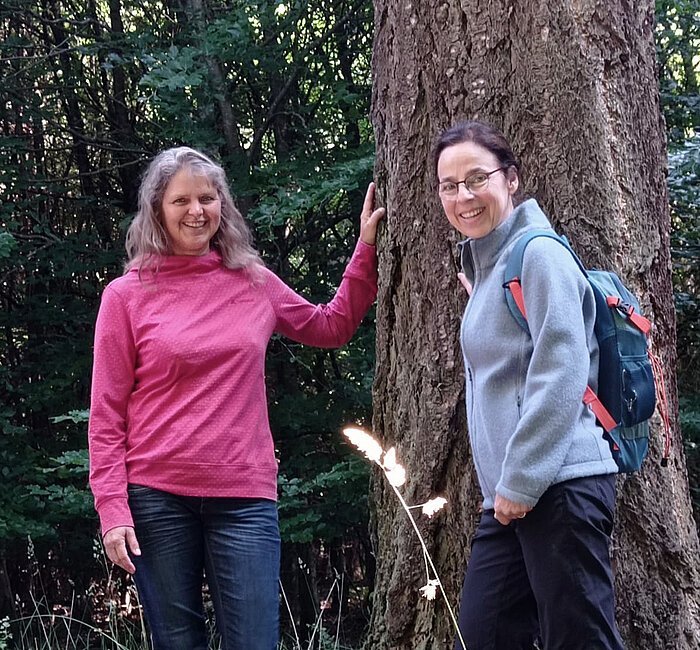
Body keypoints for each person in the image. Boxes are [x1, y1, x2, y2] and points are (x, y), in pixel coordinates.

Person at [88, 146, 384, 650]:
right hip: (156, 497)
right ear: (157, 209)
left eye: (207, 197)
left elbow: (329, 326)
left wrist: (367, 248)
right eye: (181, 200)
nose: (196, 210)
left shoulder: (253, 282)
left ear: (222, 205)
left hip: (244, 497)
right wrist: (113, 509)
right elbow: (107, 415)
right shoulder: (126, 295)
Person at [432, 121, 624, 650]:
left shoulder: (539, 254)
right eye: (449, 185)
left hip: (557, 485)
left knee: (581, 640)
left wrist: (518, 482)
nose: (463, 196)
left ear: (511, 180)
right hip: (511, 499)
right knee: (486, 635)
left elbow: (560, 371)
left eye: (476, 178)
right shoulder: (491, 265)